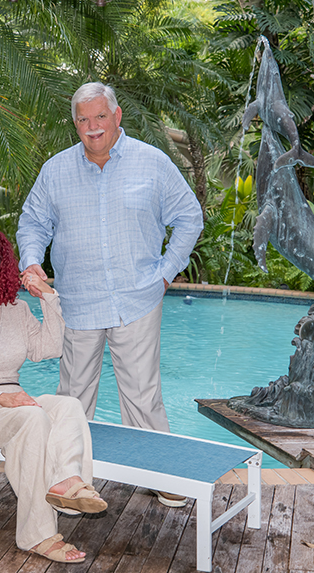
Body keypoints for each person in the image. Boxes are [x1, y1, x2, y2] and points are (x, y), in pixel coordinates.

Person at [18, 82, 203, 508]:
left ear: (117, 116)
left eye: (100, 116)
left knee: (142, 395)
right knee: (72, 400)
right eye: (83, 119)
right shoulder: (56, 170)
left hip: (136, 300)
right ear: (75, 124)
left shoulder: (152, 163)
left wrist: (165, 274)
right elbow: (32, 223)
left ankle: (162, 474)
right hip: (78, 303)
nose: (92, 127)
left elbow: (189, 216)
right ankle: (69, 483)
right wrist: (31, 260)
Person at [0, 225, 107, 564]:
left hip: (13, 404)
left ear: (2, 267)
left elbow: (50, 347)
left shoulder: (13, 309)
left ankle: (66, 481)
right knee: (32, 417)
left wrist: (49, 298)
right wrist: (2, 399)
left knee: (68, 406)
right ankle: (37, 536)